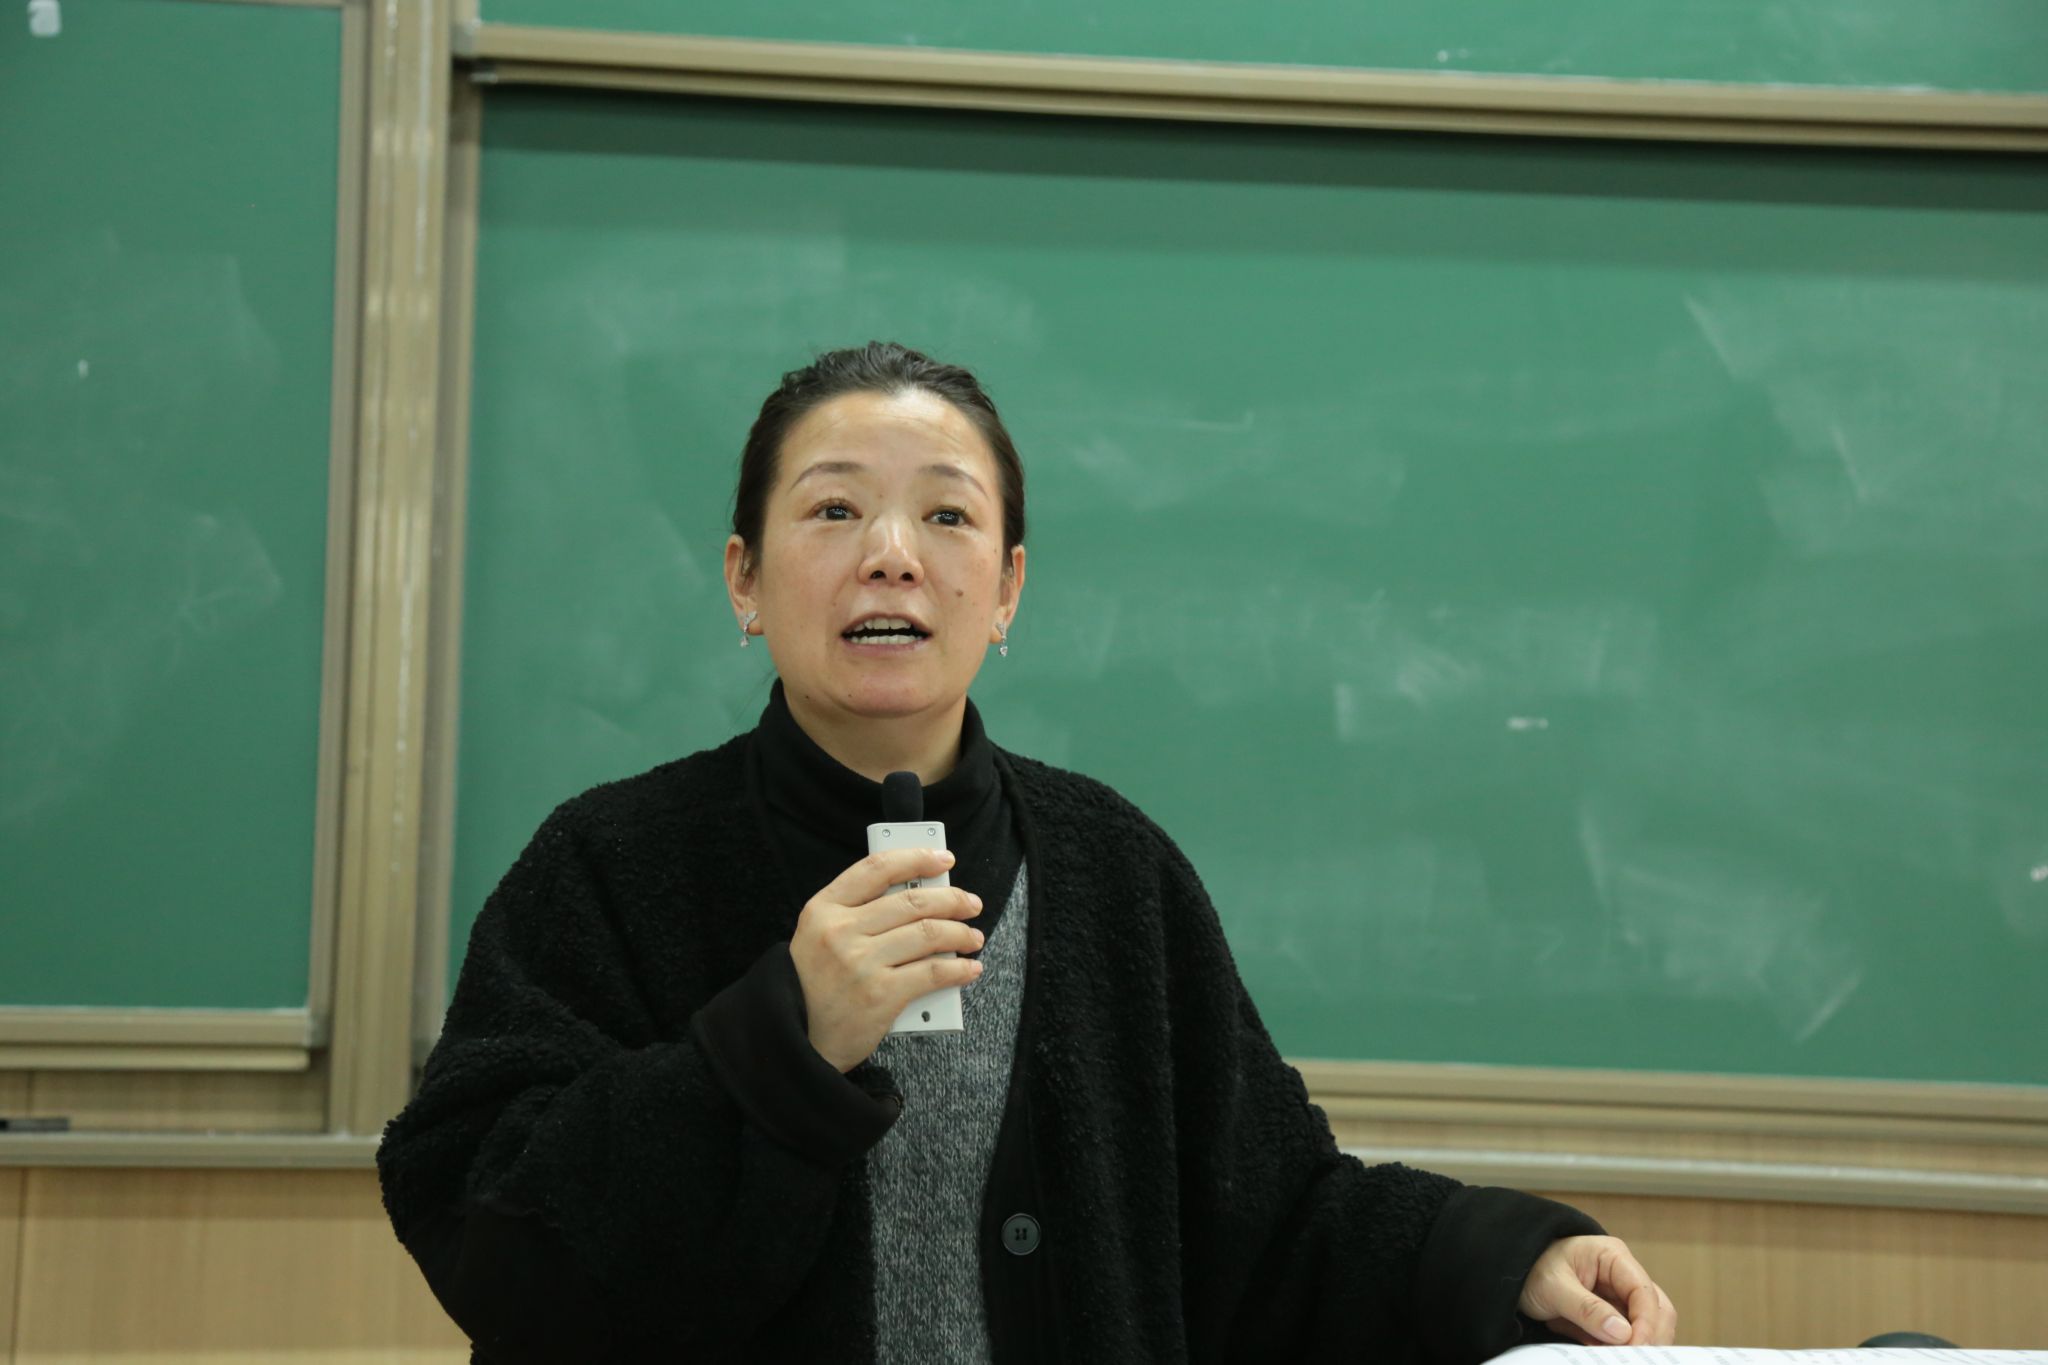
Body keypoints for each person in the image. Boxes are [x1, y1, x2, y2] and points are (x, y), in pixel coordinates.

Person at [376, 341, 1679, 1363]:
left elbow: (1273, 1223)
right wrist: (781, 1041)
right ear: (744, 580)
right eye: (834, 509)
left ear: (1005, 591)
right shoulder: (609, 864)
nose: (891, 556)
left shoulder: (1112, 869)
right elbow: (487, 1230)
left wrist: (1500, 1256)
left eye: (946, 519)